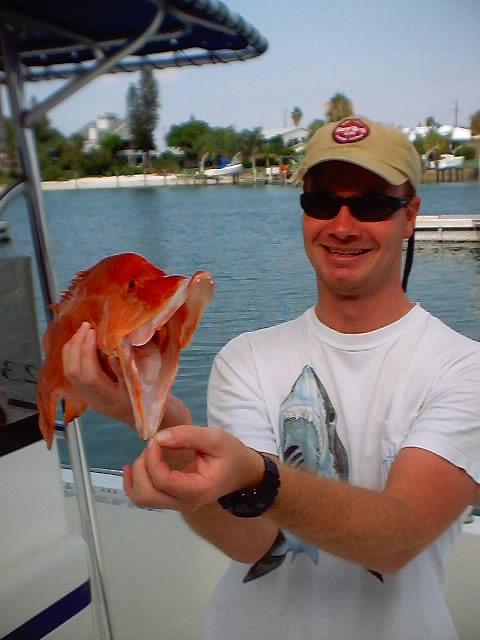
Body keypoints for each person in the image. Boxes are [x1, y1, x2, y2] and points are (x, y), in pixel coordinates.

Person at [63, 116, 480, 640]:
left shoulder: (464, 367)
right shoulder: (245, 358)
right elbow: (252, 543)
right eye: (322, 201)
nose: (342, 225)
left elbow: (399, 538)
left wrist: (259, 477)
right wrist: (166, 427)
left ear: (410, 215)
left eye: (372, 204)